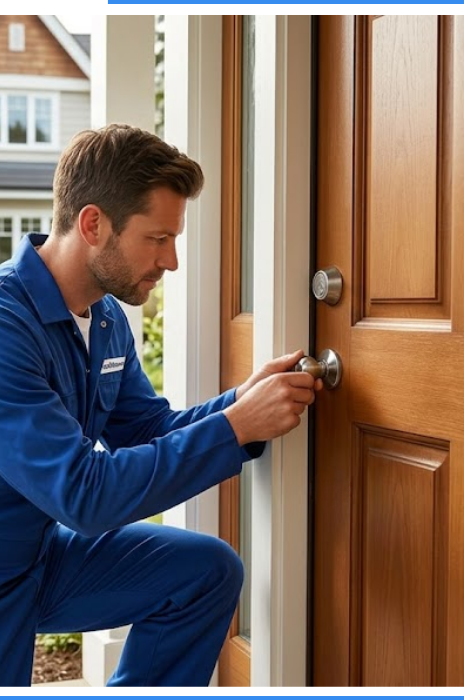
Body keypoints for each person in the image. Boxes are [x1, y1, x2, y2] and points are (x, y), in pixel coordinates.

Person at [0, 123, 321, 687]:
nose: (171, 261)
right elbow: (83, 494)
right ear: (94, 224)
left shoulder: (103, 319)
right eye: (157, 238)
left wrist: (239, 407)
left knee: (204, 571)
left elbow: (147, 428)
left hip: (38, 559)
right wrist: (233, 425)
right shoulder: (7, 325)